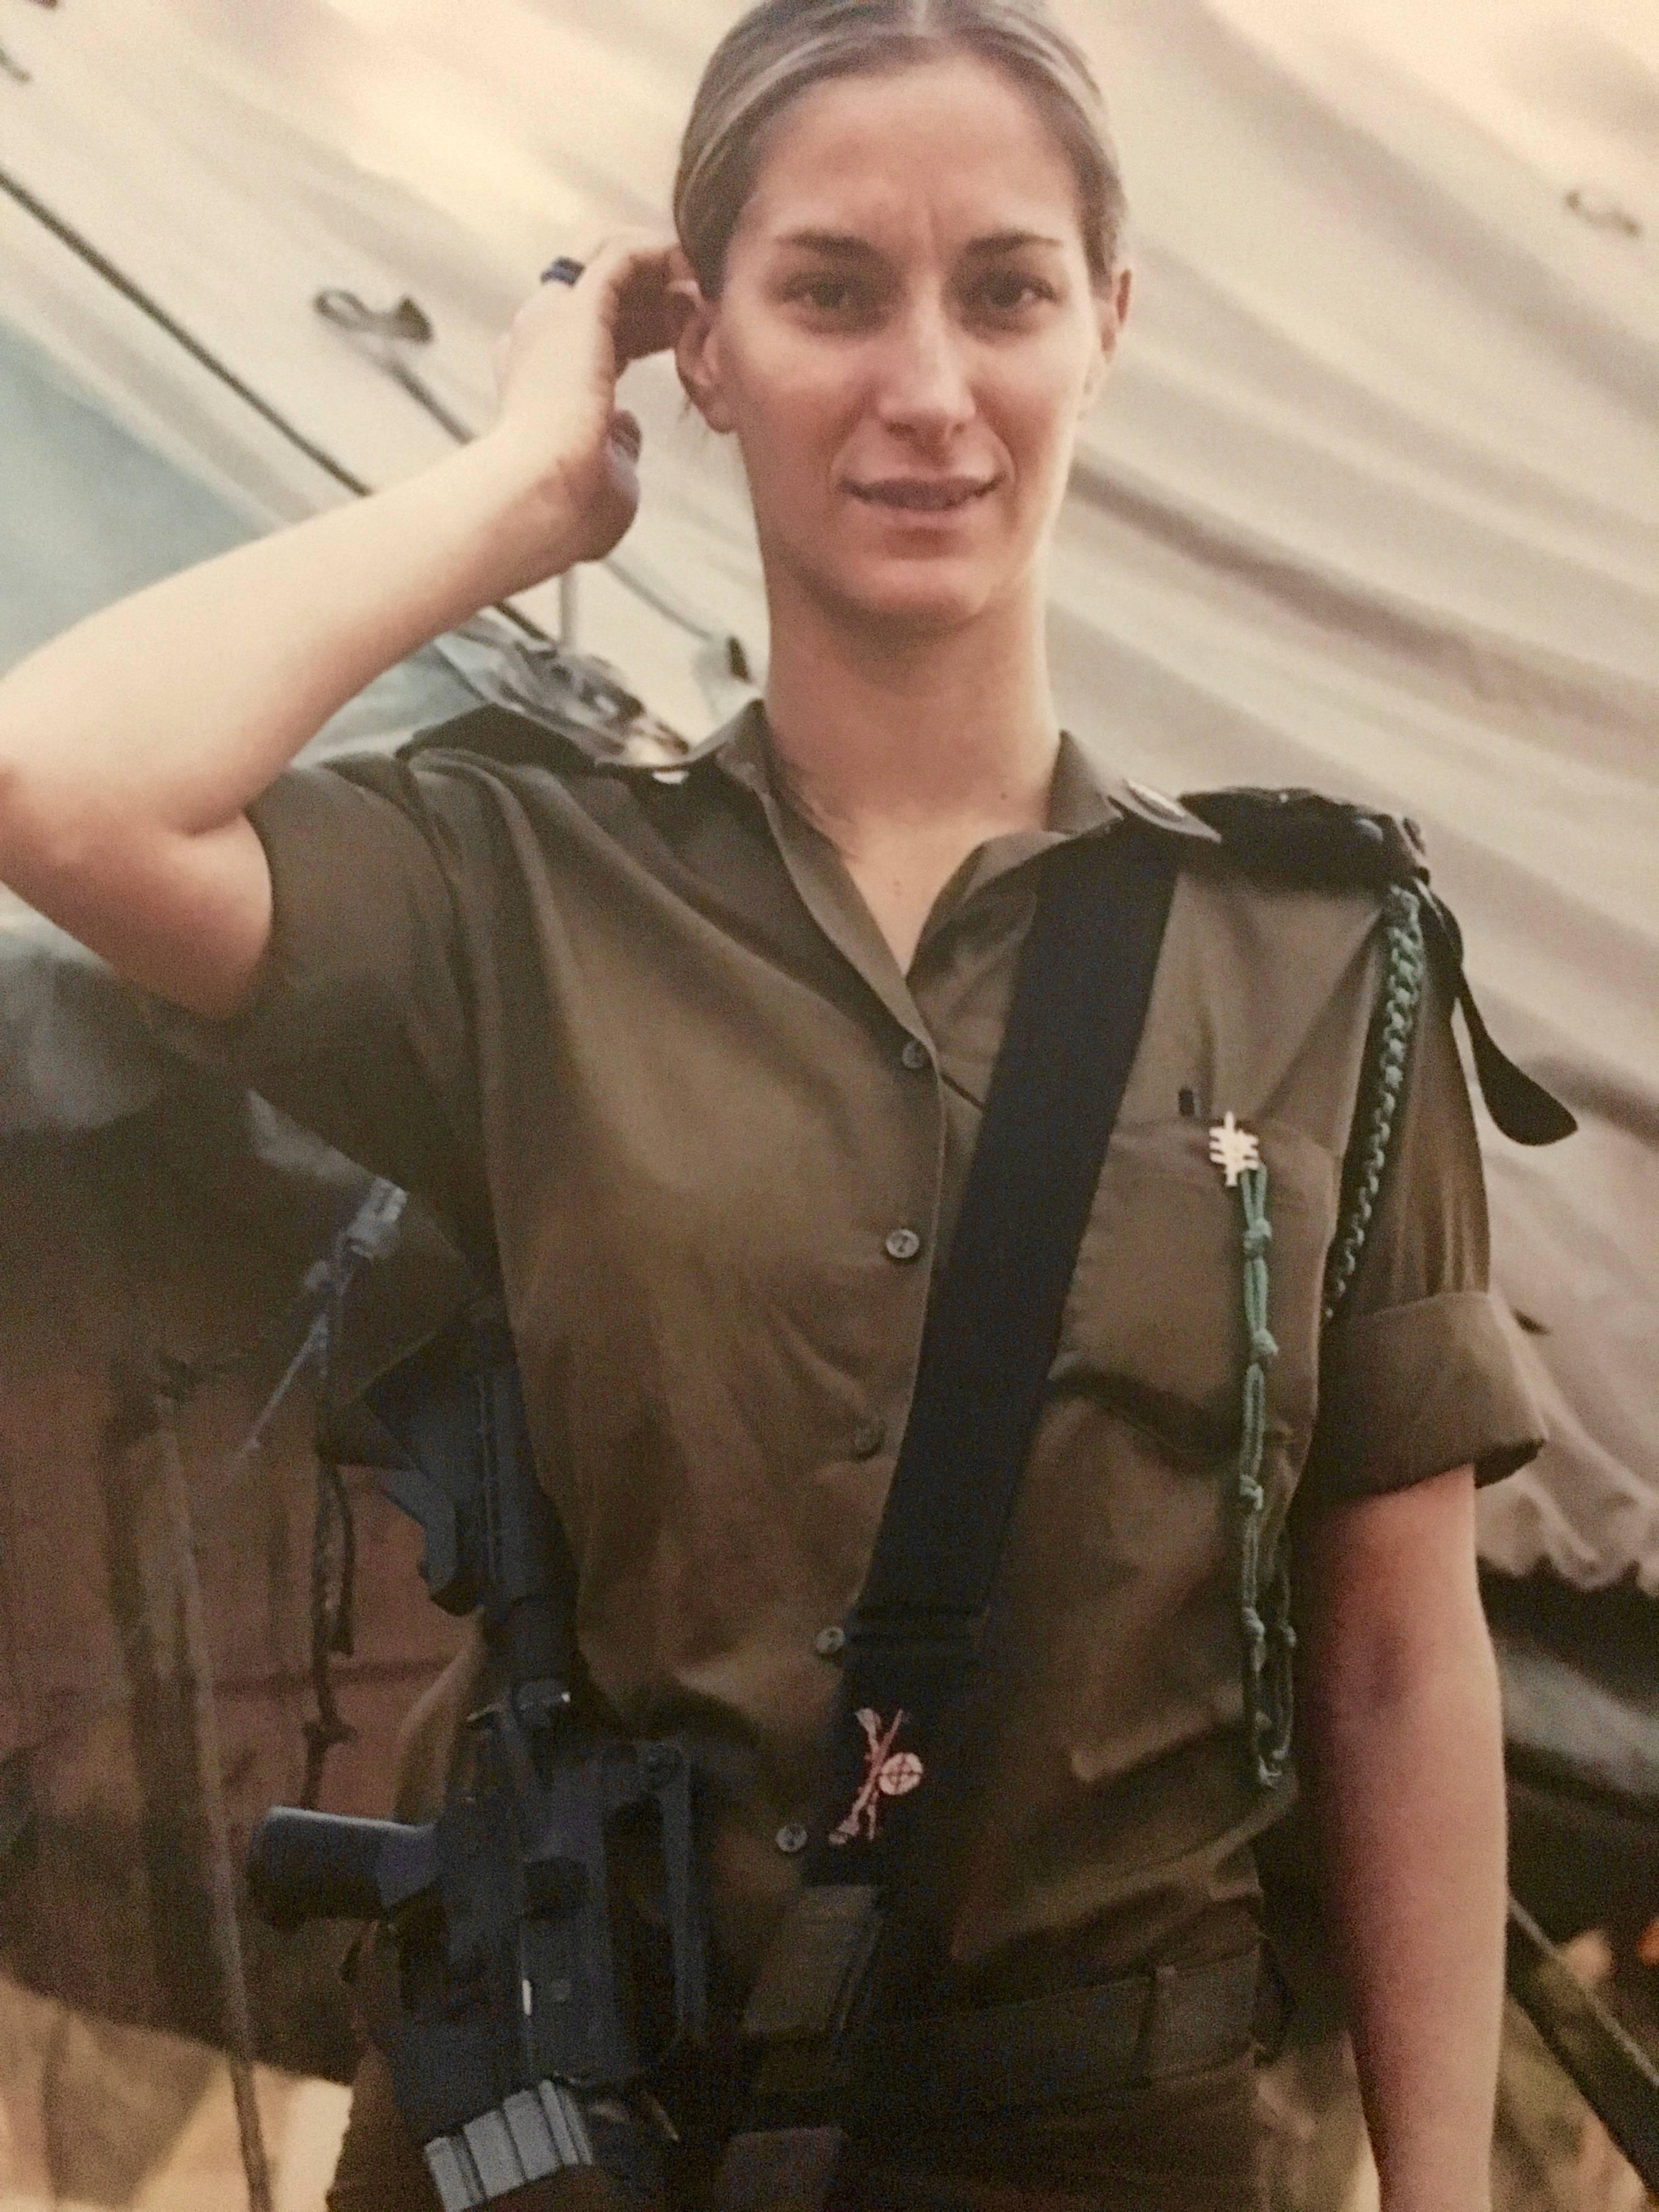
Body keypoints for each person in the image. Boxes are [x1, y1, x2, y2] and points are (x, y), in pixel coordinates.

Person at [0, 2, 1549, 2205]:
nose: (927, 386)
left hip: (1121, 2151)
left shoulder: (1316, 955)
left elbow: (1400, 1657)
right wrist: (521, 486)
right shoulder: (513, 895)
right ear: (702, 344)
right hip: (587, 2139)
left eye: (1003, 290)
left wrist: (1446, 2193)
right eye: (830, 291)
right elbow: (59, 782)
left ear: (1107, 328)